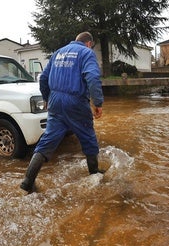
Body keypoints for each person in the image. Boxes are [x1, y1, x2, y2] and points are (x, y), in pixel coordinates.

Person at [20, 31, 104, 193]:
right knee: (88, 137)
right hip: (76, 102)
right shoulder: (87, 53)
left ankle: (27, 182)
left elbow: (43, 78)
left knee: (47, 141)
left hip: (55, 102)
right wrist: (98, 103)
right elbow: (92, 78)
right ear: (88, 43)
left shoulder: (58, 53)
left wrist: (46, 98)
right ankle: (95, 175)